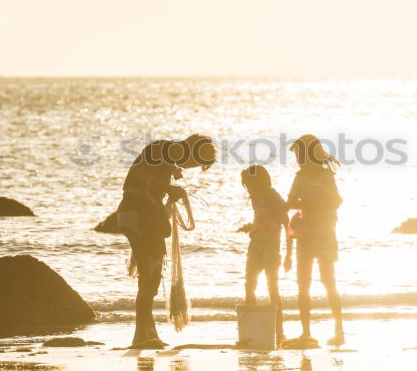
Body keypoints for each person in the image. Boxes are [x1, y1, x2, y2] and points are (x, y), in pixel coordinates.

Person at [116, 134, 216, 348]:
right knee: (149, 276)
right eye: (194, 163)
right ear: (192, 151)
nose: (189, 167)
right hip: (138, 215)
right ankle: (140, 336)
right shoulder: (164, 149)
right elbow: (137, 176)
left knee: (150, 280)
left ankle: (147, 334)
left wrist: (169, 191)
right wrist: (169, 188)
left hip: (136, 216)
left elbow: (148, 184)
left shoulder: (166, 157)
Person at [287, 134, 345, 346]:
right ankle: (306, 332)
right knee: (303, 285)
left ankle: (339, 330)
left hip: (326, 234)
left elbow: (337, 201)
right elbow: (291, 200)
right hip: (306, 236)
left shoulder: (326, 176)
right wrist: (304, 203)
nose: (298, 160)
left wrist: (311, 203)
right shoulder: (300, 177)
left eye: (299, 155)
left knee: (329, 281)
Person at [240, 165, 292, 344]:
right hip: (255, 245)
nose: (248, 189)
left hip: (271, 247)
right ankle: (250, 332)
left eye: (249, 184)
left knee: (273, 289)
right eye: (246, 185)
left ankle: (279, 332)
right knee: (250, 287)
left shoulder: (275, 199)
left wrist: (289, 255)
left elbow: (287, 225)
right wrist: (251, 227)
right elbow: (262, 221)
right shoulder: (256, 198)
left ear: (259, 182)